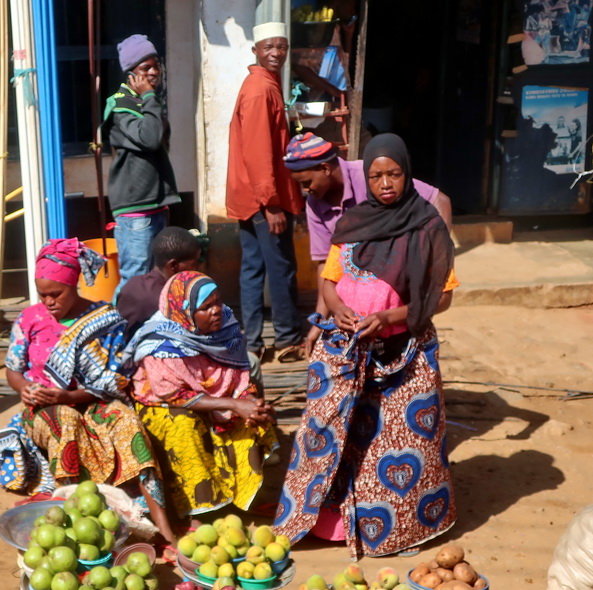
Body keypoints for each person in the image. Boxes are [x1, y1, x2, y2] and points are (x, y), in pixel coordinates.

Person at [274, 134, 458, 559]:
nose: (385, 183)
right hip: (350, 347)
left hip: (405, 353)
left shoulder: (427, 227)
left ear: (406, 173)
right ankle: (329, 521)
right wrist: (335, 309)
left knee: (396, 442)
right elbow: (329, 278)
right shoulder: (351, 224)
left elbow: (443, 297)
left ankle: (400, 529)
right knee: (333, 434)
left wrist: (391, 318)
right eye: (376, 176)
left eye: (393, 174)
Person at [0, 239, 173, 543]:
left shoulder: (105, 319)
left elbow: (115, 380)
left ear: (74, 284)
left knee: (127, 423)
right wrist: (26, 389)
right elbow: (13, 370)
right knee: (64, 422)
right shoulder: (29, 319)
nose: (48, 301)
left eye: (56, 294)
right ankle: (70, 519)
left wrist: (70, 396)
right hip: (44, 408)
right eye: (42, 295)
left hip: (93, 401)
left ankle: (161, 523)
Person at [126, 271, 278, 520]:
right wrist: (233, 404)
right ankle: (197, 512)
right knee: (183, 426)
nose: (217, 310)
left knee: (253, 420)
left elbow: (238, 374)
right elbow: (172, 394)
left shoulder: (225, 326)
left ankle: (245, 498)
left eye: (217, 302)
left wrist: (249, 400)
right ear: (184, 311)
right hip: (162, 404)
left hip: (211, 397)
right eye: (206, 307)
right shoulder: (160, 342)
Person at [283, 131, 452, 353]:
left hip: (401, 319)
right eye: (377, 178)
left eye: (307, 183)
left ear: (325, 168)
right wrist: (321, 319)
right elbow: (327, 268)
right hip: (357, 325)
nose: (306, 191)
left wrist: (436, 252)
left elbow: (439, 200)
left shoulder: (375, 172)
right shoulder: (321, 208)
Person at [226, 21, 305, 362]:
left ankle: (254, 342)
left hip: (249, 195)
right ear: (255, 50)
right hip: (263, 198)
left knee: (254, 267)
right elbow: (259, 153)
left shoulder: (263, 85)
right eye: (269, 47)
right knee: (281, 266)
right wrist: (271, 204)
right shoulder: (260, 90)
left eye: (282, 46)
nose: (276, 53)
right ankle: (287, 339)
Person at [103, 33, 181, 292]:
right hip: (136, 210)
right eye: (145, 68)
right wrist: (149, 97)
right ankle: (119, 331)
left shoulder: (146, 103)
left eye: (156, 65)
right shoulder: (122, 106)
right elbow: (149, 138)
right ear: (130, 74)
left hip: (154, 205)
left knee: (154, 277)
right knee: (134, 280)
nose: (154, 72)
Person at [115, 226, 202, 342]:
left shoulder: (133, 283)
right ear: (173, 265)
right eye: (194, 263)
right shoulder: (168, 300)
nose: (198, 269)